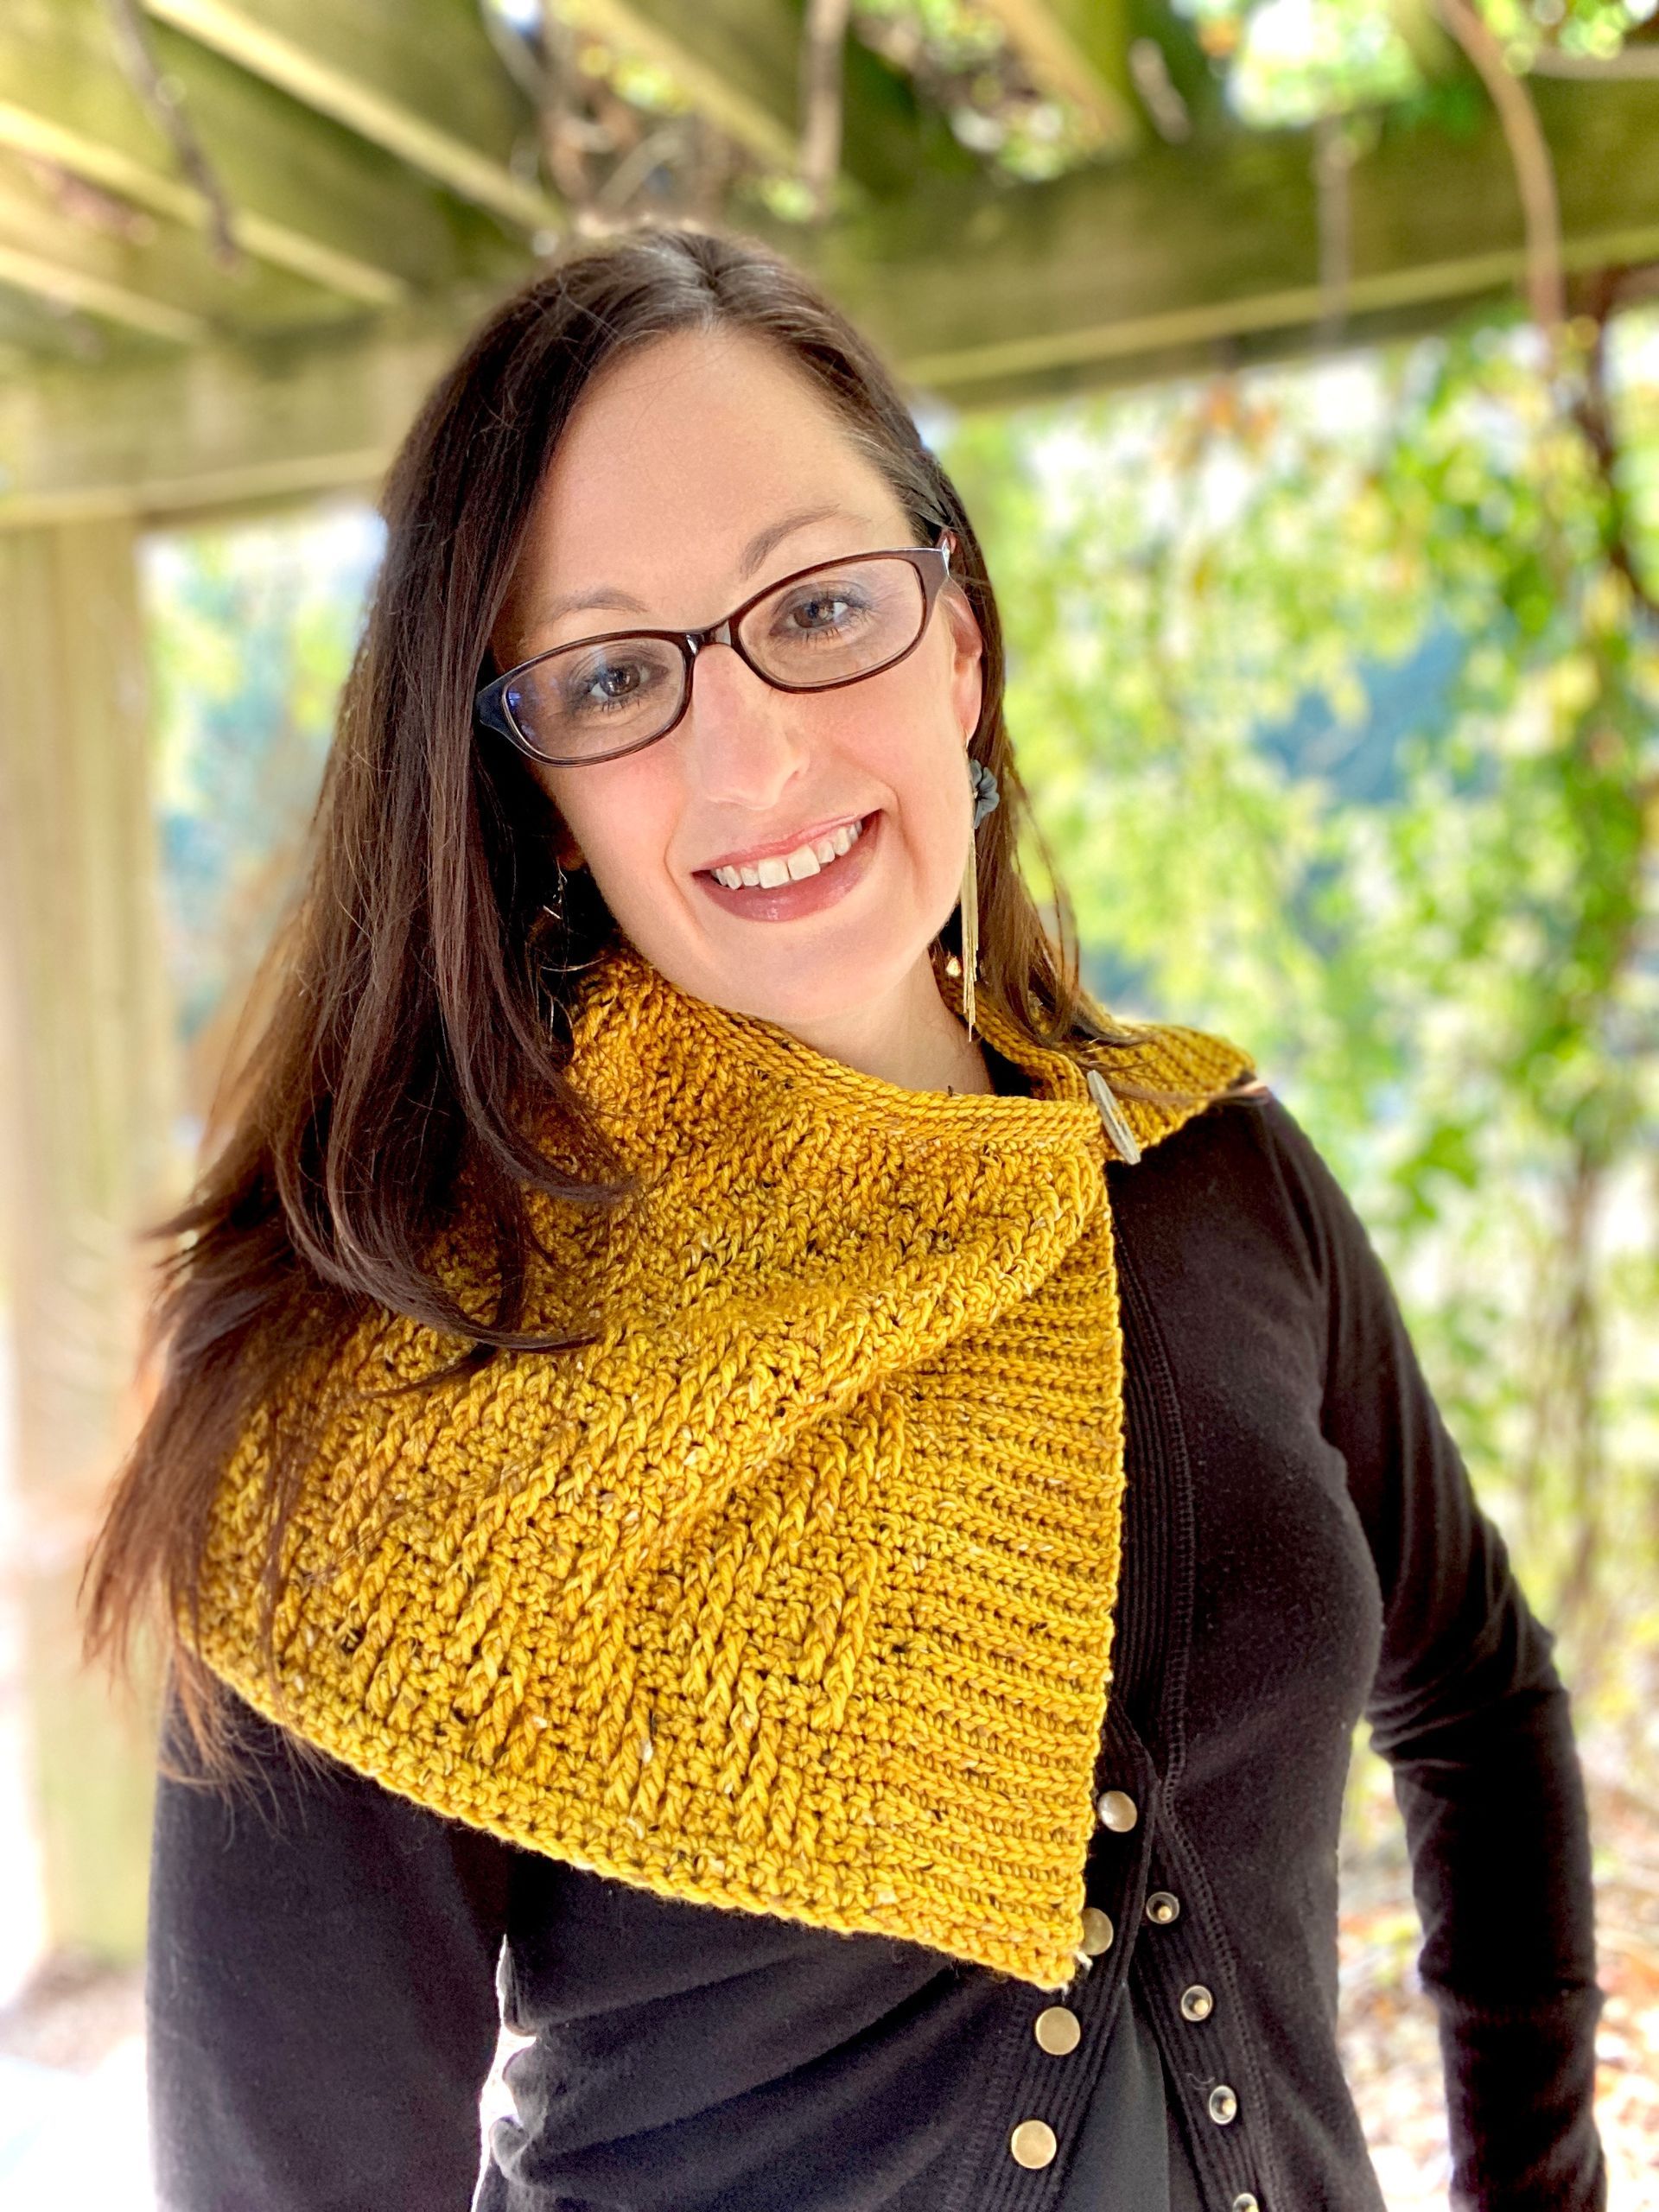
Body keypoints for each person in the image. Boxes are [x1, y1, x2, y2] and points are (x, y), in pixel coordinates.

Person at [83, 225, 1606, 2212]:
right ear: (537, 791)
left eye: (820, 607)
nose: (756, 752)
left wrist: (1541, 2178)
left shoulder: (1216, 1174)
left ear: (957, 644)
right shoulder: (383, 1403)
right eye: (614, 672)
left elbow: (1480, 1696)